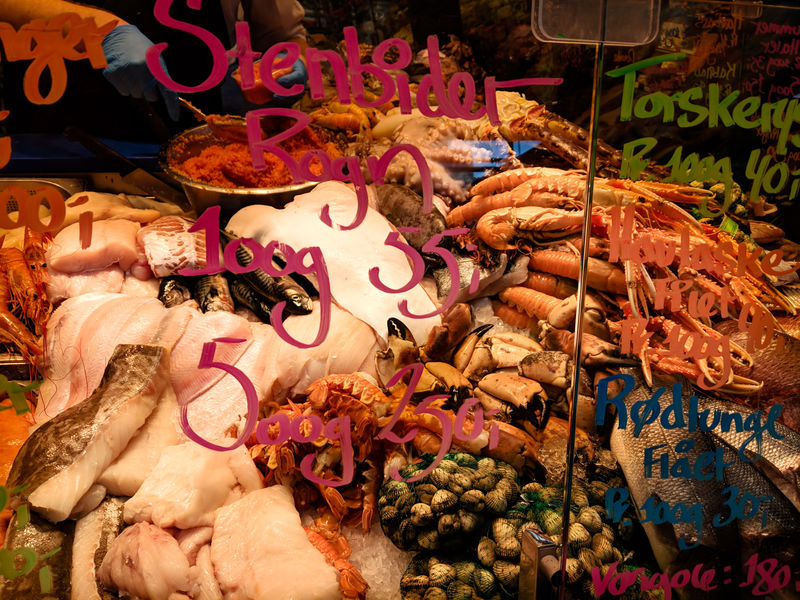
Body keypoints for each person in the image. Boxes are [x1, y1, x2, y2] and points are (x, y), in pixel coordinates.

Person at [0, 0, 308, 138]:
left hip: (197, 142)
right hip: (60, 144)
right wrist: (100, 30)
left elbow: (283, 33)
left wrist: (285, 63)